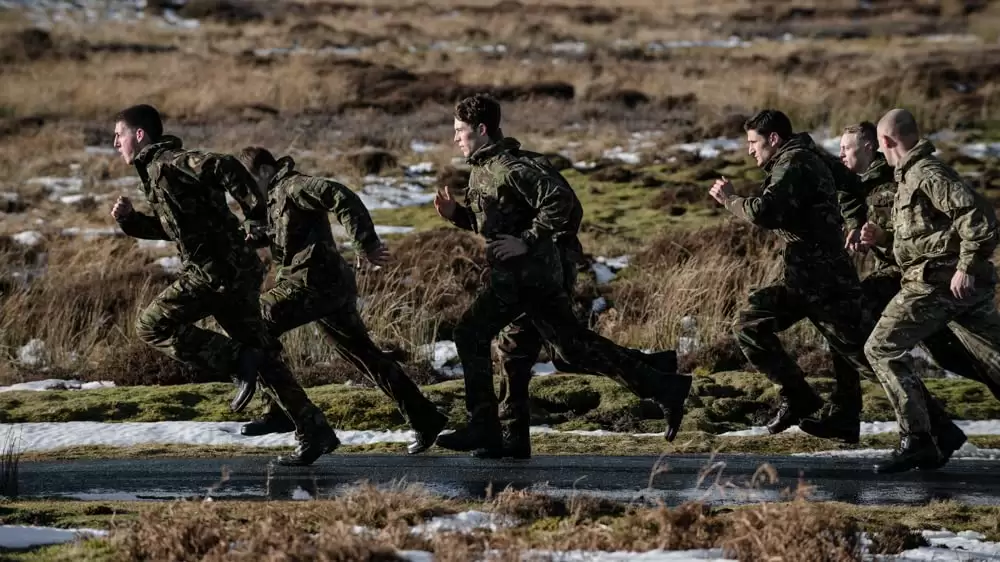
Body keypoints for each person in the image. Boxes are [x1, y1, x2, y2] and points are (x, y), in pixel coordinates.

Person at [433, 94, 691, 458]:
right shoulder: (482, 168)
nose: (455, 138)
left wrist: (527, 241)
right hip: (524, 277)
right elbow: (497, 224)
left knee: (470, 333)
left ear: (481, 129)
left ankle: (484, 425)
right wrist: (457, 216)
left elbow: (562, 203)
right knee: (539, 353)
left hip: (529, 279)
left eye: (460, 130)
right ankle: (513, 437)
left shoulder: (511, 168)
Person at [111, 104, 335, 466]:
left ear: (139, 135)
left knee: (151, 325)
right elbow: (176, 229)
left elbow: (226, 165)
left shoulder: (170, 162)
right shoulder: (155, 173)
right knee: (261, 352)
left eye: (118, 135)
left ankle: (237, 360)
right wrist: (131, 221)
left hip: (217, 274)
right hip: (233, 271)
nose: (114, 143)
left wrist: (256, 215)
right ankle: (313, 429)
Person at [236, 147, 449, 455]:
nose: (246, 190)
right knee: (365, 356)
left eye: (248, 181)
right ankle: (425, 418)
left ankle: (285, 415)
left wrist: (366, 243)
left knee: (253, 323)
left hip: (313, 285)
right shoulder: (272, 198)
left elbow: (340, 195)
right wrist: (254, 236)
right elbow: (283, 233)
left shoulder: (294, 186)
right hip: (326, 287)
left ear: (266, 172)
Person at [709, 109, 872, 444]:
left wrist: (730, 200)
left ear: (773, 139)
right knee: (848, 349)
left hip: (821, 277)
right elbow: (853, 187)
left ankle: (933, 426)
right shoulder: (810, 155)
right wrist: (853, 225)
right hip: (814, 273)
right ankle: (819, 406)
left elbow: (765, 212)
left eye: (754, 142)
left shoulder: (794, 161)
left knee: (859, 354)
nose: (750, 150)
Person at [862, 108, 1000, 473]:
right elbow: (926, 236)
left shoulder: (926, 173)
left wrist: (966, 266)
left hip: (937, 284)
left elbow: (979, 218)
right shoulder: (910, 177)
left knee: (880, 348)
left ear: (888, 142)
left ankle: (918, 440)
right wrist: (884, 239)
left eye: (880, 145)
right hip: (949, 283)